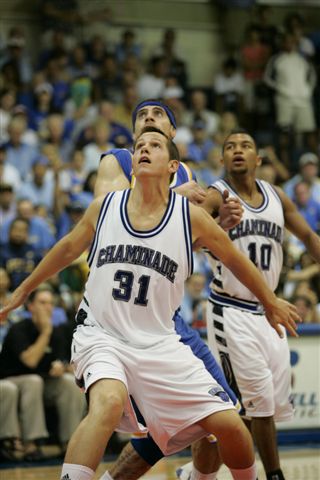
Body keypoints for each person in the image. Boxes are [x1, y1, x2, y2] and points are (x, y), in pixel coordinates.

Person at [0, 128, 300, 480]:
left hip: (158, 342)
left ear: (173, 165)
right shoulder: (106, 207)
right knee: (108, 403)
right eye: (139, 146)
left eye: (154, 145)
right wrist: (23, 290)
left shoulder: (191, 218)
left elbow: (234, 259)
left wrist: (270, 300)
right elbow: (67, 249)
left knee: (231, 427)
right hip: (102, 334)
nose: (143, 149)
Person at [94, 99, 244, 479]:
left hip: (163, 315)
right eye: (142, 115)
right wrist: (177, 200)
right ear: (134, 136)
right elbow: (106, 216)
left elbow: (175, 250)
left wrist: (218, 227)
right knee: (205, 415)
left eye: (159, 114)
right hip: (120, 314)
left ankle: (194, 476)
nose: (149, 117)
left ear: (174, 136)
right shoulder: (119, 161)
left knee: (211, 418)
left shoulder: (185, 173)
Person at [177, 129, 320, 480]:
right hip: (231, 309)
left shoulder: (277, 196)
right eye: (230, 147)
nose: (237, 151)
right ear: (223, 159)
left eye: (246, 146)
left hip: (269, 312)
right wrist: (215, 222)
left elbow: (308, 236)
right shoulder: (216, 194)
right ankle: (273, 475)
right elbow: (186, 240)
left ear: (258, 159)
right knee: (251, 407)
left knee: (248, 410)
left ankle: (195, 473)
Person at [0, 284, 87, 458]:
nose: (48, 307)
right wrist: (45, 332)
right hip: (13, 381)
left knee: (69, 383)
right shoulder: (19, 329)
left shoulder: (57, 333)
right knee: (33, 381)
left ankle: (69, 442)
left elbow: (65, 361)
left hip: (42, 384)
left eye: (50, 303)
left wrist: (62, 367)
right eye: (42, 303)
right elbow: (30, 361)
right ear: (30, 306)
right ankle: (32, 443)